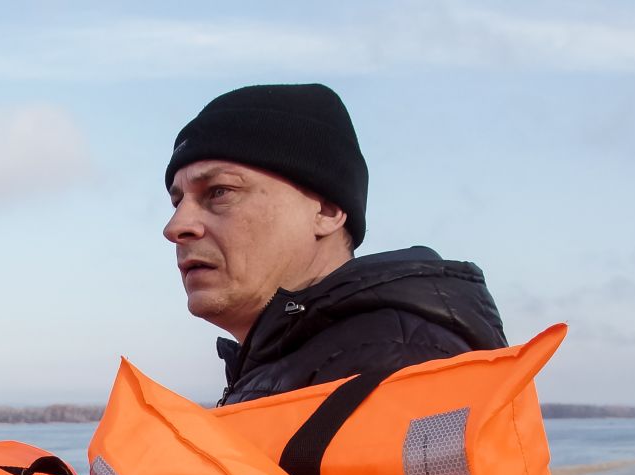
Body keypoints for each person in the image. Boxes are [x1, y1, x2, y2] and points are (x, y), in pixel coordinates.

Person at [163, 83, 508, 405]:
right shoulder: (299, 369)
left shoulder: (396, 368)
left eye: (219, 192)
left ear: (327, 211)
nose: (176, 226)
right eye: (177, 202)